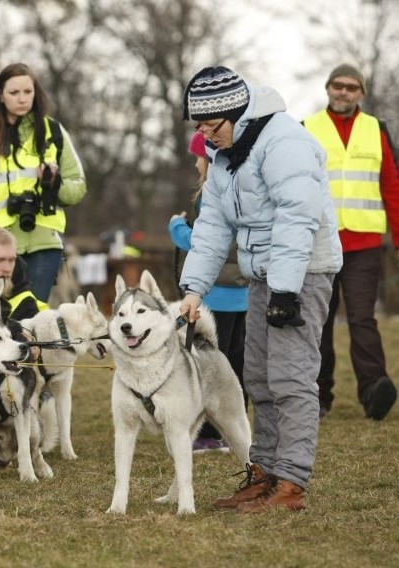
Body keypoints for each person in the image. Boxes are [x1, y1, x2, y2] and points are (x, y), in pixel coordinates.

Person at [179, 66, 342, 512]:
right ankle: (265, 471)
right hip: (264, 275)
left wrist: (286, 292)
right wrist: (193, 289)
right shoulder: (225, 152)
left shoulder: (285, 143)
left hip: (302, 273)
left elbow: (297, 219)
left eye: (214, 128)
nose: (209, 138)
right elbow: (213, 225)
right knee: (258, 376)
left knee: (290, 377)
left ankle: (290, 483)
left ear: (238, 114)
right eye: (202, 130)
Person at [303, 64, 399, 421]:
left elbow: (391, 186)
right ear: (328, 88)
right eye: (338, 85)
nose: (343, 92)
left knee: (362, 319)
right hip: (317, 242)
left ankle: (374, 390)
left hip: (363, 245)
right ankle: (317, 396)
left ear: (361, 93)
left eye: (352, 87)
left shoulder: (377, 129)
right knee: (318, 320)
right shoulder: (306, 128)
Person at [0, 63, 87, 303]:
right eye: (14, 93)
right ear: (0, 96)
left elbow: (78, 189)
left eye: (28, 92)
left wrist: (54, 184)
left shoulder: (53, 132)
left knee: (32, 320)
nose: (22, 99)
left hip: (41, 243)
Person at [169, 132, 249, 454]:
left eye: (198, 155)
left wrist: (178, 229)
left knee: (207, 364)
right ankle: (231, 429)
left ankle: (207, 433)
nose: (195, 161)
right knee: (235, 365)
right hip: (241, 293)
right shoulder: (238, 187)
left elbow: (212, 243)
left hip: (216, 295)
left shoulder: (213, 193)